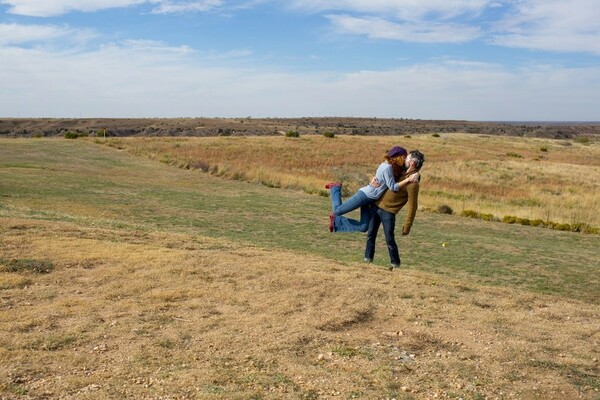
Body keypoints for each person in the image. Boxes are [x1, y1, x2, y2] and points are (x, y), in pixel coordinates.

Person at [325, 146, 417, 232]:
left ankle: (336, 223)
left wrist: (415, 174)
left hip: (370, 200)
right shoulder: (387, 167)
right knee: (337, 211)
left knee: (364, 227)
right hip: (365, 195)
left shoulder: (392, 167)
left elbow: (385, 179)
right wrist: (408, 179)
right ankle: (335, 188)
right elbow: (393, 187)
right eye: (404, 157)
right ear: (399, 157)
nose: (405, 160)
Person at [364, 150, 425, 271]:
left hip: (389, 212)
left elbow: (413, 206)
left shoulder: (413, 183)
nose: (404, 160)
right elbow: (385, 170)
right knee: (370, 234)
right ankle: (367, 259)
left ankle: (395, 263)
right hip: (376, 205)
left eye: (407, 158)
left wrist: (407, 225)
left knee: (389, 238)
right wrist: (373, 179)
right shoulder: (401, 171)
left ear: (412, 163)